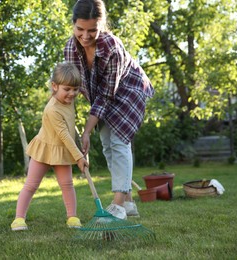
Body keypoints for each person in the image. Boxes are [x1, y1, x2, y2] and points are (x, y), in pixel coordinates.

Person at [64, 0, 154, 219]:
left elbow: (107, 95)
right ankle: (130, 202)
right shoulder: (70, 48)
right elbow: (73, 86)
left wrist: (86, 131)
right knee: (107, 145)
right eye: (80, 29)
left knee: (119, 142)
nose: (85, 36)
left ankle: (118, 204)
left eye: (92, 30)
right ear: (74, 24)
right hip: (100, 98)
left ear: (101, 25)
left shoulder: (111, 46)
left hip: (128, 90)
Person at [11, 62, 89, 231]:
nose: (72, 93)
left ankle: (72, 217)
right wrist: (78, 157)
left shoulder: (69, 102)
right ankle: (18, 219)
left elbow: (69, 129)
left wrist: (78, 148)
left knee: (67, 185)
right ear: (55, 86)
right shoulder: (52, 109)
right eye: (67, 89)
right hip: (45, 149)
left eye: (75, 89)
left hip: (61, 151)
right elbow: (63, 134)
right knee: (31, 185)